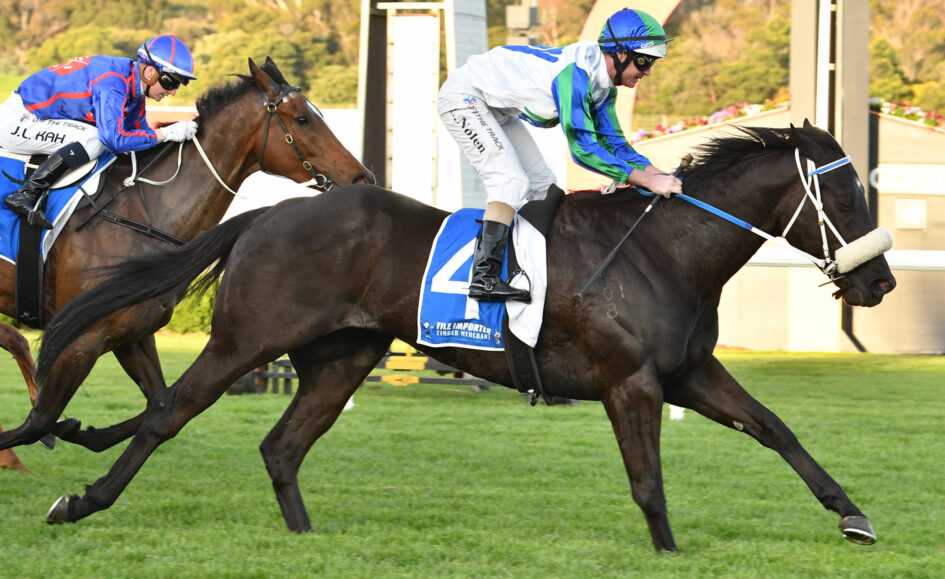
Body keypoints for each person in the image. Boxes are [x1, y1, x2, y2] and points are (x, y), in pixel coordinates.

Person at [437, 8, 683, 303]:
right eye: (644, 61)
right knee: (510, 182)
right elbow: (583, 150)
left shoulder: (604, 86)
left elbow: (615, 143)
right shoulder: (575, 77)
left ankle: (530, 267)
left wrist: (656, 173)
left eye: (652, 62)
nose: (648, 71)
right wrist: (645, 180)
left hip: (497, 109)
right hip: (465, 98)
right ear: (619, 54)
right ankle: (483, 278)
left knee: (544, 187)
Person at [0, 34, 199, 228]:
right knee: (95, 140)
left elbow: (141, 136)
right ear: (149, 72)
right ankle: (27, 193)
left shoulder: (132, 87)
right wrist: (166, 133)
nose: (173, 91)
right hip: (18, 120)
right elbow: (115, 139)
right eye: (171, 82)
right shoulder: (113, 83)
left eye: (179, 85)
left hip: (39, 115)